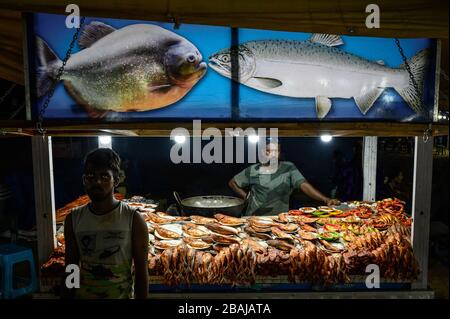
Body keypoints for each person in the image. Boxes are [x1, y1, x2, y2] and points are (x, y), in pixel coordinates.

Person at [64, 148, 148, 299]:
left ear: (115, 181)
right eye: (91, 176)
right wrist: (69, 296)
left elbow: (141, 273)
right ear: (84, 180)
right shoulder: (72, 218)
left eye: (104, 176)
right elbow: (71, 266)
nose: (97, 182)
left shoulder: (134, 219)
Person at [228, 141, 340, 216]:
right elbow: (233, 183)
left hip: (279, 218)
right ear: (262, 152)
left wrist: (326, 199)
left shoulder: (288, 167)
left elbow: (303, 185)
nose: (272, 154)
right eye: (268, 151)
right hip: (254, 217)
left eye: (276, 151)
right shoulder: (253, 169)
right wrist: (246, 197)